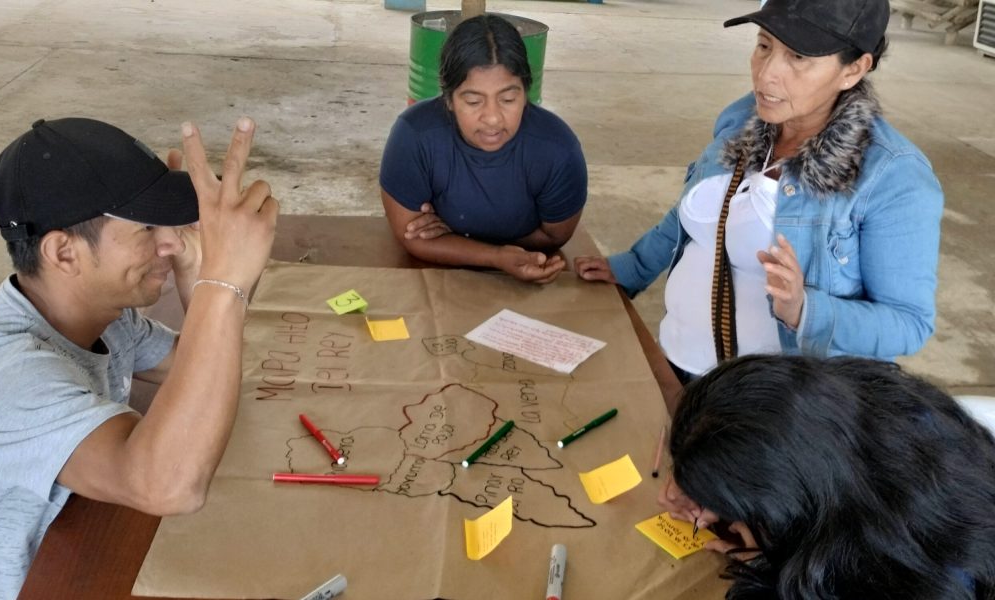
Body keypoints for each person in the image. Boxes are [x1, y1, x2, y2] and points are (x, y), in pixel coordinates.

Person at [0, 116, 278, 598]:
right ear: (63, 253)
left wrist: (201, 287)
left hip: (74, 548)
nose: (171, 241)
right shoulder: (5, 373)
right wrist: (224, 284)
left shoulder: (105, 317)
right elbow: (168, 485)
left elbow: (203, 371)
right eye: (146, 228)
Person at [575, 0, 943, 381]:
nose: (766, 75)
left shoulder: (892, 176)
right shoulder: (742, 119)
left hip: (774, 408)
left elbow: (909, 323)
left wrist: (805, 309)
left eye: (798, 56)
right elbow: (698, 211)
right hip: (677, 364)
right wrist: (632, 267)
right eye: (764, 45)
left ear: (854, 69)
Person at [660, 354, 995, 598]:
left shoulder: (905, 575)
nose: (730, 524)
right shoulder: (859, 406)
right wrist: (700, 474)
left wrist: (766, 565)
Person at [379, 14, 588, 284]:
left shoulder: (557, 149)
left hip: (526, 284)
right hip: (433, 279)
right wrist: (495, 255)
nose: (492, 118)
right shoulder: (415, 135)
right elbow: (411, 237)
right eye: (474, 101)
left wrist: (457, 235)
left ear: (526, 93)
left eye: (508, 98)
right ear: (449, 99)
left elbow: (555, 237)